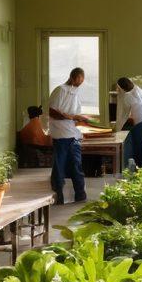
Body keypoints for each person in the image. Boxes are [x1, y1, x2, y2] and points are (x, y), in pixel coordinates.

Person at [47, 67, 91, 205]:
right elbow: (52, 112)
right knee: (60, 165)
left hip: (73, 134)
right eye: (78, 80)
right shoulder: (60, 90)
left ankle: (80, 194)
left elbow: (73, 114)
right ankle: (58, 194)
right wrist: (73, 116)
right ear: (72, 77)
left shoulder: (75, 93)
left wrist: (79, 119)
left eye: (82, 81)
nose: (80, 83)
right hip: (60, 134)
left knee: (76, 164)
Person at [115, 76, 142, 167]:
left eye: (118, 88)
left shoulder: (127, 96)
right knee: (141, 144)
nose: (117, 90)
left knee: (137, 146)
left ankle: (138, 167)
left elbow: (124, 115)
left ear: (122, 88)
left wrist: (117, 128)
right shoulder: (139, 90)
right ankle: (140, 165)